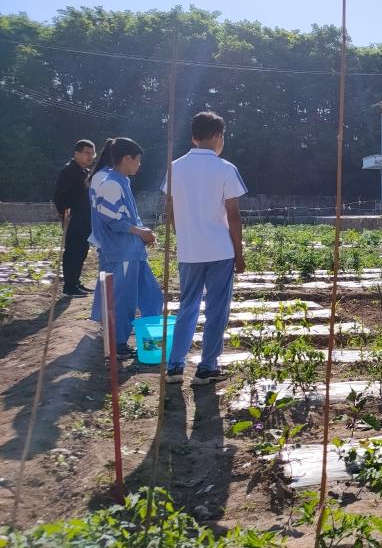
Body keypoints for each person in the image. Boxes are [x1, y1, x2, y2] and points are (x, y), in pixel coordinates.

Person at [163, 111, 247, 386]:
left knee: (187, 306)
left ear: (193, 137)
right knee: (216, 310)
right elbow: (233, 215)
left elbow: (170, 211)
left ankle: (175, 366)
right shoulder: (225, 169)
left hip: (190, 252)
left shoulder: (175, 168)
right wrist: (239, 254)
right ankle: (207, 367)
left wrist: (185, 237)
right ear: (218, 136)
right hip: (220, 251)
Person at [89, 138, 163, 359]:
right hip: (121, 254)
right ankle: (118, 344)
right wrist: (140, 233)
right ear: (126, 159)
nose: (139, 165)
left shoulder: (122, 181)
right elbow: (113, 221)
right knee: (124, 301)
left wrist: (143, 232)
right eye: (137, 160)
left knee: (152, 297)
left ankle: (151, 344)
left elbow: (127, 217)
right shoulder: (111, 184)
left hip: (133, 252)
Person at [53, 139, 97, 296]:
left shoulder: (84, 172)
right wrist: (64, 213)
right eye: (87, 153)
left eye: (93, 153)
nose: (90, 156)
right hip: (74, 218)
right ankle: (69, 286)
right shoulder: (69, 171)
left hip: (84, 218)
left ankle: (76, 282)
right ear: (76, 153)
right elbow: (59, 196)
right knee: (73, 251)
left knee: (81, 251)